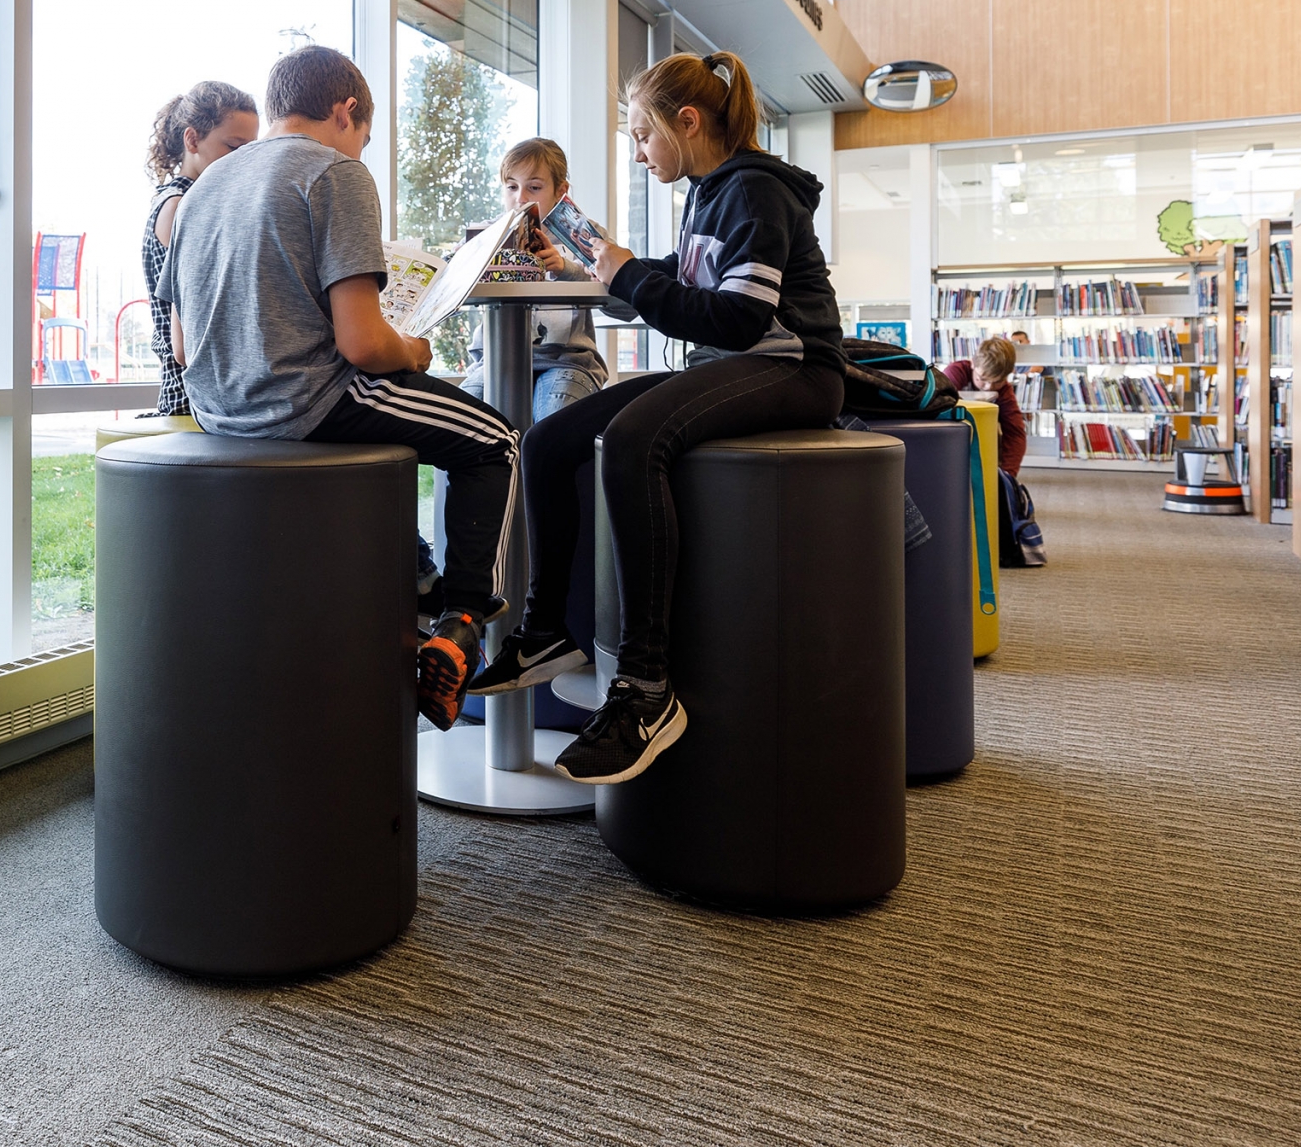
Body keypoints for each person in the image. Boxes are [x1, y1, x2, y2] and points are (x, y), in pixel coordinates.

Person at [470, 50, 846, 785]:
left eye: (643, 136)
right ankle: (546, 632)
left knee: (634, 440)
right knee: (550, 440)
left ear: (688, 121)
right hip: (735, 364)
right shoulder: (708, 193)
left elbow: (738, 319)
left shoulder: (753, 192)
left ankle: (646, 689)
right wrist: (582, 269)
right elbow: (671, 285)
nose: (639, 154)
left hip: (794, 368)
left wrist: (622, 270)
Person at [164, 45, 517, 731]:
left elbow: (181, 344)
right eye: (364, 131)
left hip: (220, 416)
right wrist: (413, 347)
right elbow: (361, 343)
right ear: (347, 109)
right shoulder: (336, 172)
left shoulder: (203, 188)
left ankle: (415, 587)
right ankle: (463, 623)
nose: (361, 145)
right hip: (310, 402)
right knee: (495, 439)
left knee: (429, 425)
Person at [460, 138, 609, 419]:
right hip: (493, 361)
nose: (521, 198)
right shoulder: (486, 235)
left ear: (561, 191)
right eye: (512, 187)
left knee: (553, 420)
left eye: (535, 187)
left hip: (568, 360)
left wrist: (567, 268)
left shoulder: (587, 236)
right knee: (460, 427)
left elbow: (621, 296)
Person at [140, 82, 258, 418]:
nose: (243, 162)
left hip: (205, 393)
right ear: (192, 140)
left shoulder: (185, 199)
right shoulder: (181, 205)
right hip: (194, 399)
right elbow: (189, 336)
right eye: (234, 148)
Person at [946, 334, 1027, 479]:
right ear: (972, 364)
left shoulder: (1004, 391)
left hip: (983, 447)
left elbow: (1015, 434)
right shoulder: (954, 374)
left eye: (997, 382)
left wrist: (1007, 477)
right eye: (982, 379)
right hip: (951, 446)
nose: (989, 387)